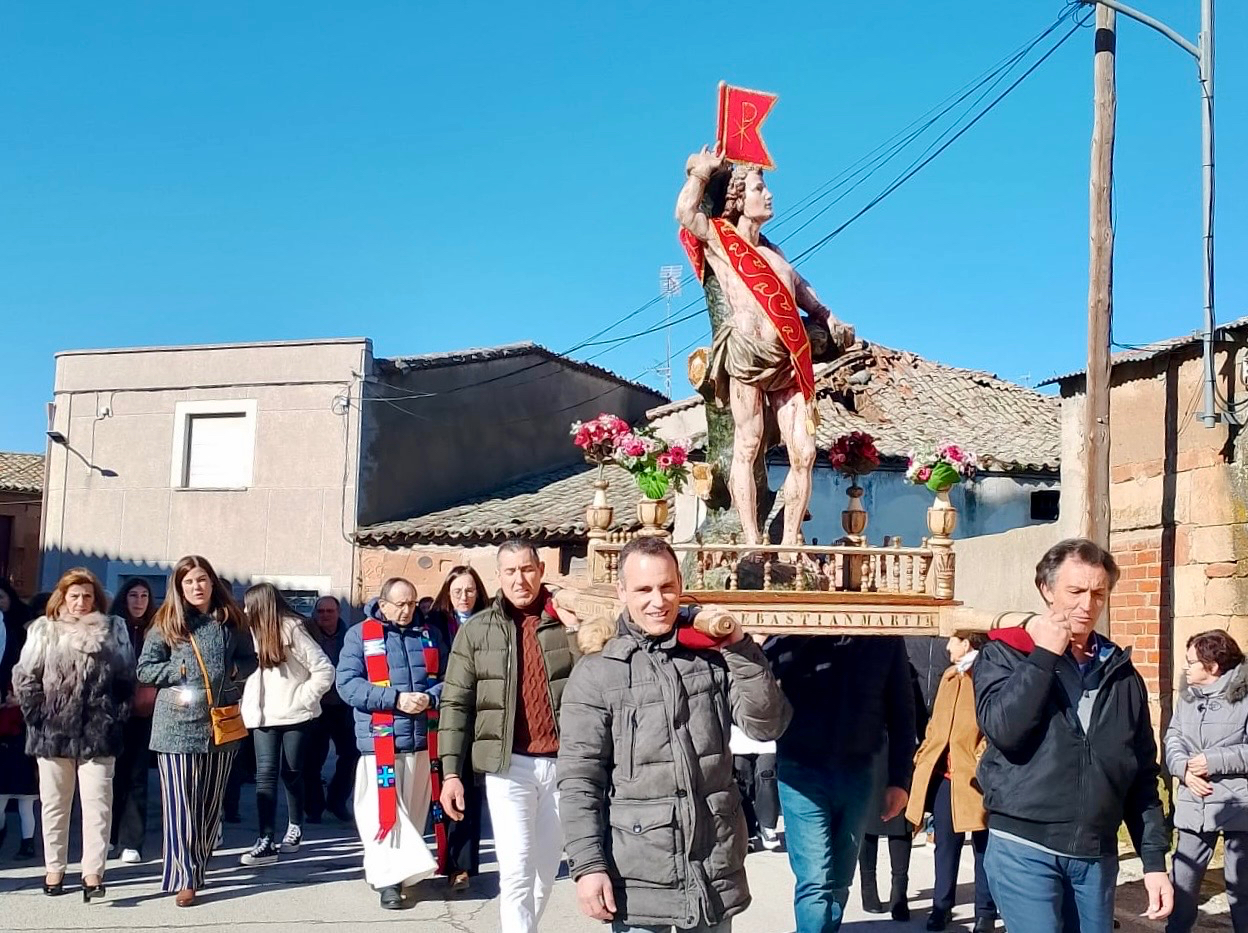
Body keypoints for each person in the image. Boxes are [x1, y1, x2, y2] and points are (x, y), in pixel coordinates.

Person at [558, 535, 792, 933]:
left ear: (680, 585)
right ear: (622, 592)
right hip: (638, 876)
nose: (658, 601)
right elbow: (580, 779)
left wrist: (740, 648)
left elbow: (766, 724)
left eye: (667, 587)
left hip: (712, 868)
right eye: (644, 589)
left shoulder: (712, 657)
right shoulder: (597, 673)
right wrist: (588, 865)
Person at [974, 538, 1173, 932]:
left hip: (1095, 854)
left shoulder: (1121, 674)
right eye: (1076, 591)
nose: (1087, 605)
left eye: (1098, 594)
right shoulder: (1005, 654)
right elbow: (1005, 730)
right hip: (1024, 846)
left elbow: (1140, 775)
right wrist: (1043, 656)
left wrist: (1153, 862)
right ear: (1047, 590)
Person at [675, 147, 855, 547]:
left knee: (804, 451)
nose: (769, 195)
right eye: (760, 188)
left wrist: (829, 318)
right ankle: (752, 540)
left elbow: (803, 292)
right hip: (747, 356)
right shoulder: (721, 240)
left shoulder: (775, 254)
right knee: (748, 444)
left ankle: (790, 541)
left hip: (789, 359)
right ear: (740, 198)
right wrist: (701, 173)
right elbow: (685, 213)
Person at [438, 539, 581, 933]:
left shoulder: (567, 622)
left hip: (563, 767)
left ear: (541, 571)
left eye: (528, 569)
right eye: (511, 571)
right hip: (508, 767)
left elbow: (595, 680)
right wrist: (451, 773)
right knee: (516, 869)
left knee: (545, 873)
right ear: (499, 576)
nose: (521, 579)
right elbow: (455, 704)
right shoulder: (478, 630)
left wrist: (574, 629)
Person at [766, 634, 916, 933]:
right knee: (815, 880)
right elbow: (764, 671)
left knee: (840, 880)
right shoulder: (794, 629)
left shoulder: (884, 636)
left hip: (858, 771)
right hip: (801, 769)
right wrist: (800, 637)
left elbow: (902, 709)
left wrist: (900, 780)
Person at [137, 555, 258, 908]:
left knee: (208, 806)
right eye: (188, 581)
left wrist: (234, 673)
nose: (196, 586)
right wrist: (177, 670)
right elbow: (145, 669)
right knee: (181, 805)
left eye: (201, 579)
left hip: (221, 722)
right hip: (175, 724)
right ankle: (184, 877)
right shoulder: (167, 622)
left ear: (212, 582)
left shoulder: (231, 619)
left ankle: (199, 865)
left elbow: (250, 659)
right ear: (178, 587)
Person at [12, 568, 135, 901]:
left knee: (98, 804)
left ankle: (93, 872)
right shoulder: (45, 629)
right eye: (75, 596)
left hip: (99, 730)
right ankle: (54, 868)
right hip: (53, 731)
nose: (81, 602)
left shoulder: (113, 628)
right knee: (54, 804)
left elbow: (126, 676)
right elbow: (25, 677)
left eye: (87, 595)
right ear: (63, 597)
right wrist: (38, 716)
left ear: (97, 598)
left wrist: (115, 716)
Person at [336, 576, 446, 909]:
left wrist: (430, 698)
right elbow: (347, 684)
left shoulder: (429, 635)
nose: (407, 610)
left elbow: (449, 679)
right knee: (383, 815)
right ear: (382, 604)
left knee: (411, 815)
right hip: (380, 742)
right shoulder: (360, 635)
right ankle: (388, 882)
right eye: (400, 604)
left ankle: (394, 873)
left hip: (421, 740)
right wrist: (395, 699)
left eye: (412, 603)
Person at [905, 630, 997, 933]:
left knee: (983, 846)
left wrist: (981, 759)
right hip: (946, 776)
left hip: (976, 776)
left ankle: (985, 912)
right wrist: (925, 751)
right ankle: (941, 907)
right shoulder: (949, 675)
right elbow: (936, 724)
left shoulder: (986, 674)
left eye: (952, 641)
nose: (946, 646)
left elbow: (995, 726)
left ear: (966, 643)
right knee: (945, 844)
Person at [239, 583, 334, 866]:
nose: (245, 610)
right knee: (264, 775)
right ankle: (266, 839)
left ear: (262, 605)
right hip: (262, 716)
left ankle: (295, 825)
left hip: (295, 714)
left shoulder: (292, 629)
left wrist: (305, 699)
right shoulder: (248, 633)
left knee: (292, 773)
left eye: (249, 605)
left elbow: (324, 669)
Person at [1165, 629, 1248, 933]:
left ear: (1213, 666)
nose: (1185, 668)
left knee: (1242, 888)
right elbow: (1173, 736)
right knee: (1182, 883)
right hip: (1194, 799)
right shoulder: (1188, 696)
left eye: (1192, 662)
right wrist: (1183, 770)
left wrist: (1213, 761)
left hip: (1239, 804)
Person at [427, 565, 489, 891]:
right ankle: (427, 861)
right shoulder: (434, 624)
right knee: (439, 789)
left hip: (480, 715)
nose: (464, 597)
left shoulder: (491, 622)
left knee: (468, 792)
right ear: (447, 594)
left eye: (470, 590)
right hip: (442, 714)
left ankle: (461, 865)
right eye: (457, 591)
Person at [858, 643, 928, 922]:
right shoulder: (857, 665)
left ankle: (900, 892)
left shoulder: (904, 670)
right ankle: (868, 888)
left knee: (900, 823)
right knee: (867, 823)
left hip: (896, 751)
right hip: (865, 750)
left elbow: (913, 711)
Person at [108, 578, 159, 864]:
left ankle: (131, 841)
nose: (139, 601)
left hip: (143, 710)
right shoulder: (111, 627)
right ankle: (109, 834)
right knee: (111, 776)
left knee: (137, 776)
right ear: (123, 598)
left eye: (144, 595)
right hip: (111, 710)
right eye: (133, 595)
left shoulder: (157, 629)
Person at [303, 595, 357, 824]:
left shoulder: (350, 638)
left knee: (351, 755)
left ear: (338, 613)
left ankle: (337, 801)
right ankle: (314, 807)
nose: (325, 615)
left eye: (329, 611)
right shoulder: (306, 636)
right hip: (315, 706)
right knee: (311, 760)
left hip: (342, 706)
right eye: (321, 611)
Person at [0, 579, 39, 860]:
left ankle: (27, 843)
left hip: (18, 731)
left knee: (19, 797)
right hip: (12, 729)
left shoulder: (22, 633)